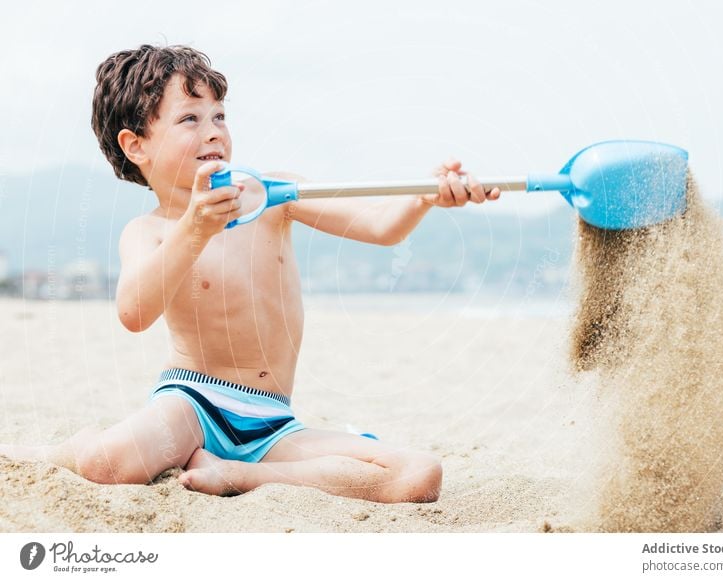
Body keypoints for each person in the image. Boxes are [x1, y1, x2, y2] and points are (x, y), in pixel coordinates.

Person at [0, 45, 501, 503]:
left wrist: (427, 196)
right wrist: (195, 227)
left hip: (274, 421)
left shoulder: (272, 195)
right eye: (190, 118)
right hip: (192, 404)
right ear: (136, 146)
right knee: (107, 462)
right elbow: (134, 311)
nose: (214, 129)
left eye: (219, 115)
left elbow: (380, 227)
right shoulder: (149, 231)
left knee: (420, 475)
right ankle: (65, 449)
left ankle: (238, 476)